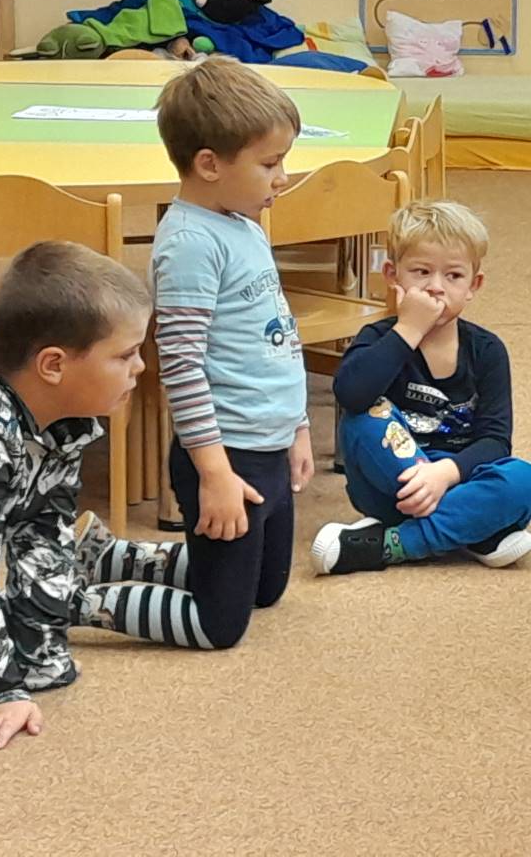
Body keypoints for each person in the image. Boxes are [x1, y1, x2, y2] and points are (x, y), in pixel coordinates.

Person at [0, 242, 204, 754]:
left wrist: (39, 654)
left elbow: (43, 530)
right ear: (53, 365)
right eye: (125, 355)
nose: (141, 367)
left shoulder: (61, 412)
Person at [148, 57, 314, 647]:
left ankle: (122, 558)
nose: (282, 178)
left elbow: (278, 333)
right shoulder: (191, 244)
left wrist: (298, 426)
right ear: (209, 165)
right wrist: (214, 473)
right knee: (219, 626)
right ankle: (71, 596)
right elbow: (181, 368)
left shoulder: (244, 224)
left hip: (268, 444)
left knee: (266, 591)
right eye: (269, 164)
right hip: (227, 453)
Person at [311, 199, 531, 575]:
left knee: (525, 481)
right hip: (392, 487)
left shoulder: (487, 351)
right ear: (392, 274)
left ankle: (390, 545)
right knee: (362, 420)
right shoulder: (377, 338)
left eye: (453, 276)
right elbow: (351, 396)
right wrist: (409, 329)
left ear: (473, 285)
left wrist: (444, 474)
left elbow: (495, 441)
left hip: (456, 477)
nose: (436, 287)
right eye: (421, 272)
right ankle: (475, 528)